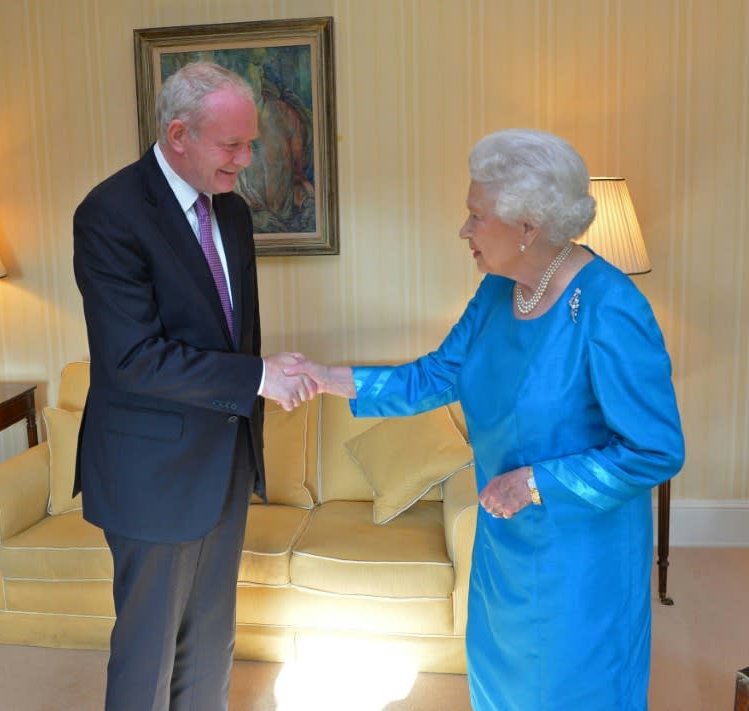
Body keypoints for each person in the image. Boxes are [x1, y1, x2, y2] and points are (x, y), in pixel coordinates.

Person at [287, 129, 685, 710]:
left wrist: (534, 483)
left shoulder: (610, 307)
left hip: (582, 561)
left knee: (574, 691)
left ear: (528, 227)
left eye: (476, 215)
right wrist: (325, 376)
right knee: (501, 688)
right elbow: (432, 376)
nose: (464, 230)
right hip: (505, 546)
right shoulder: (498, 292)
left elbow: (656, 449)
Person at [72, 62, 315, 711]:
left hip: (224, 462)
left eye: (252, 142)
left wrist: (257, 375)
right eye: (232, 145)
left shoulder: (231, 213)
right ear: (179, 134)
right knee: (148, 654)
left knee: (212, 643)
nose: (247, 158)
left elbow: (232, 332)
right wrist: (259, 376)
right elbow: (133, 358)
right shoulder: (109, 213)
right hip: (149, 473)